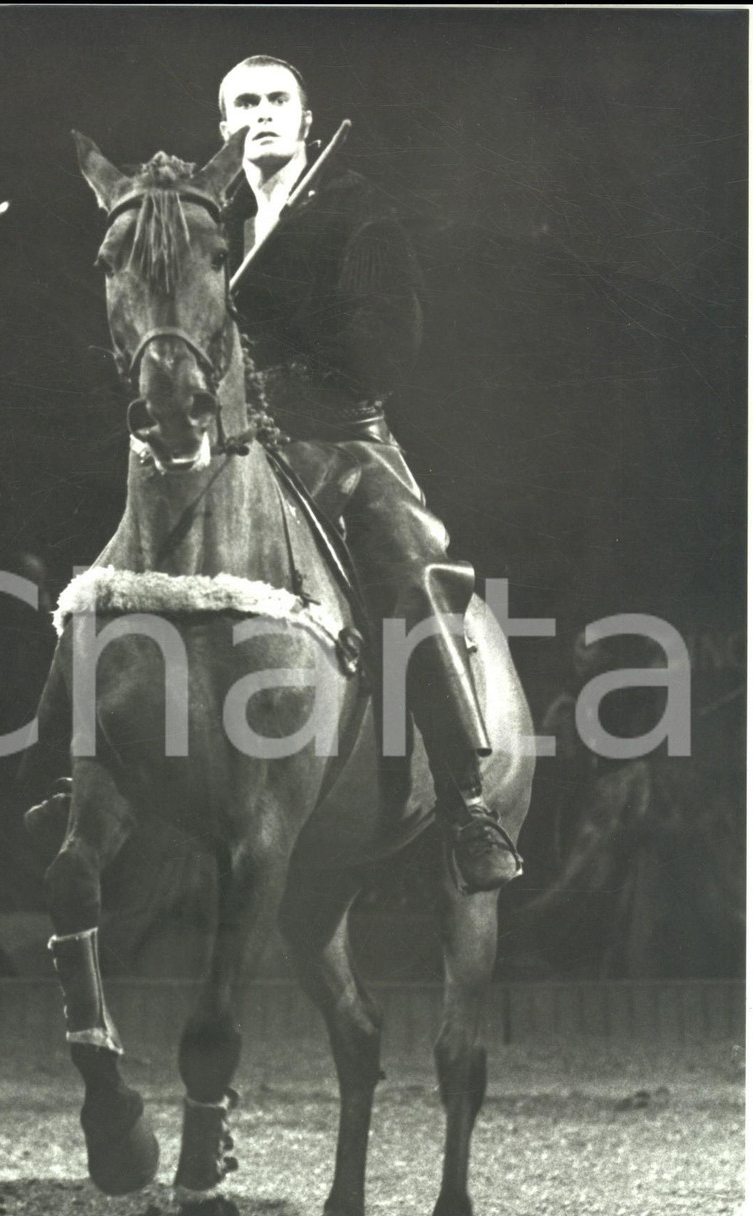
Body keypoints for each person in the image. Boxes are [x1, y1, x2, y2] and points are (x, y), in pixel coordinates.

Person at [218, 55, 523, 893]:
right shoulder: (210, 222)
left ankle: (466, 802)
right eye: (246, 102)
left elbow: (387, 347)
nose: (264, 112)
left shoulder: (355, 208)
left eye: (280, 99)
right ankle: (91, 779)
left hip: (343, 441)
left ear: (306, 121)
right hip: (239, 447)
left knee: (404, 561)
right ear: (224, 129)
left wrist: (282, 341)